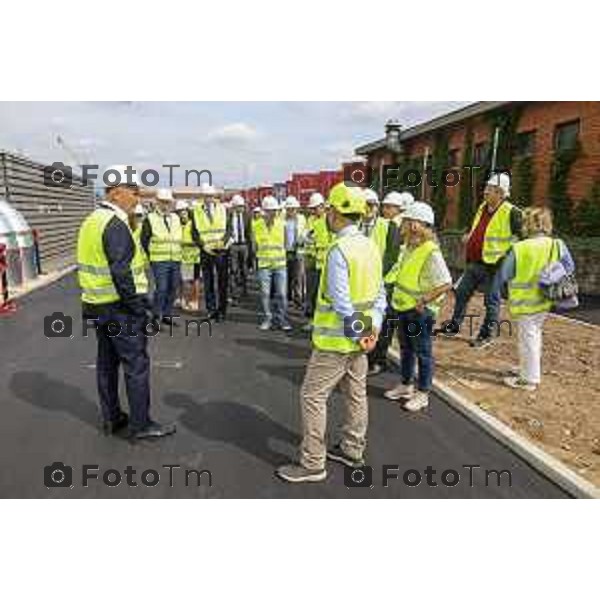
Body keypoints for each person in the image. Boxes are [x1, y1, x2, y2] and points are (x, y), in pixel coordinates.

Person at [277, 183, 386, 483]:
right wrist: (370, 330)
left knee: (312, 395)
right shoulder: (370, 246)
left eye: (328, 209)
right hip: (361, 338)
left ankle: (313, 463)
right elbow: (380, 296)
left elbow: (341, 302)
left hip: (336, 341)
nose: (325, 214)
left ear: (335, 213)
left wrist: (357, 332)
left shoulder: (339, 249)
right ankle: (352, 448)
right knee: (355, 394)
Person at [76, 165, 176, 440]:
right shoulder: (115, 224)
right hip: (119, 309)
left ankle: (112, 418)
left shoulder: (91, 220)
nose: (138, 198)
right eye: (134, 192)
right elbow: (121, 273)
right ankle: (141, 425)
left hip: (96, 306)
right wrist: (137, 308)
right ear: (118, 192)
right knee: (136, 364)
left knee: (107, 363)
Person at [492, 207, 575, 391]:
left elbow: (505, 274)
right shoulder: (557, 244)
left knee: (528, 337)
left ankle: (528, 380)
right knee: (533, 335)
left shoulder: (520, 248)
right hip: (546, 299)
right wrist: (550, 273)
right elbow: (569, 267)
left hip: (524, 302)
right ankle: (527, 369)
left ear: (528, 224)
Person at [383, 201, 452, 412]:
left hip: (419, 312)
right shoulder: (410, 248)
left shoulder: (430, 251)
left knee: (422, 351)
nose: (402, 225)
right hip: (404, 307)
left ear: (416, 225)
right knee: (406, 348)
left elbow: (445, 283)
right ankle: (406, 385)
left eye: (407, 221)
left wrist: (424, 301)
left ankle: (423, 393)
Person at [446, 172, 522, 348]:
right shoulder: (482, 207)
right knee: (462, 292)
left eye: (490, 189)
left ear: (500, 193)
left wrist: (508, 258)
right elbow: (477, 228)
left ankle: (486, 335)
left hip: (495, 266)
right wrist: (469, 236)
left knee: (491, 301)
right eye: (487, 188)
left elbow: (523, 239)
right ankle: (454, 325)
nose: (485, 192)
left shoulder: (512, 212)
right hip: (475, 262)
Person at [367, 190, 414, 375]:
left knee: (386, 323)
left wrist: (378, 275)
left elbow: (392, 257)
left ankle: (378, 359)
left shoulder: (396, 227)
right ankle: (375, 357)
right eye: (384, 206)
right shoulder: (381, 224)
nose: (386, 209)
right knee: (382, 322)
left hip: (389, 283)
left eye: (389, 207)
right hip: (383, 280)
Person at [253, 195, 292, 331]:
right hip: (264, 265)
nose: (274, 213)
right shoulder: (256, 226)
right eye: (271, 210)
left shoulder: (283, 224)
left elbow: (287, 244)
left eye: (275, 210)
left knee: (281, 293)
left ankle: (282, 319)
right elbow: (254, 246)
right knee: (265, 293)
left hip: (280, 265)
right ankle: (268, 318)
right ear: (265, 211)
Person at [192, 183, 229, 322]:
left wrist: (224, 242)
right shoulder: (196, 211)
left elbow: (229, 229)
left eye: (211, 196)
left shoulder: (223, 209)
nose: (209, 199)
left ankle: (222, 310)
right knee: (208, 282)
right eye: (206, 196)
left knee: (222, 282)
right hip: (206, 251)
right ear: (203, 197)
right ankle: (211, 310)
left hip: (221, 251)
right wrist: (202, 245)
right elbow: (194, 233)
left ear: (214, 197)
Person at [303, 192, 331, 330]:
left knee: (324, 296)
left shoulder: (330, 220)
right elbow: (306, 237)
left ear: (322, 206)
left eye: (316, 208)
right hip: (311, 260)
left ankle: (323, 321)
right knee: (312, 293)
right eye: (312, 209)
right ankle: (312, 320)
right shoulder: (310, 220)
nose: (313, 211)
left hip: (325, 264)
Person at [177, 199, 201, 311]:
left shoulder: (194, 224)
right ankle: (182, 299)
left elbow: (198, 240)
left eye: (184, 212)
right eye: (180, 212)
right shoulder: (177, 224)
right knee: (182, 280)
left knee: (194, 280)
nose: (182, 214)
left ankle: (194, 300)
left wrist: (186, 243)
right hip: (182, 256)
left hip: (194, 256)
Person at [228, 194, 252, 301]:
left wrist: (250, 248)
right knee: (233, 270)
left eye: (242, 206)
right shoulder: (228, 217)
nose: (241, 208)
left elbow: (249, 233)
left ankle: (245, 290)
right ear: (234, 206)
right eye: (238, 206)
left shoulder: (247, 216)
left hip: (244, 245)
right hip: (233, 246)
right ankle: (234, 292)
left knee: (244, 269)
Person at [284, 195, 307, 308]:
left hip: (299, 252)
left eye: (292, 209)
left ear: (296, 209)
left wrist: (301, 238)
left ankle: (298, 300)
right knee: (287, 277)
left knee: (298, 278)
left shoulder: (302, 219)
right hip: (286, 252)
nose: (291, 211)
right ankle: (288, 299)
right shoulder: (283, 220)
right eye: (289, 209)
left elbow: (306, 232)